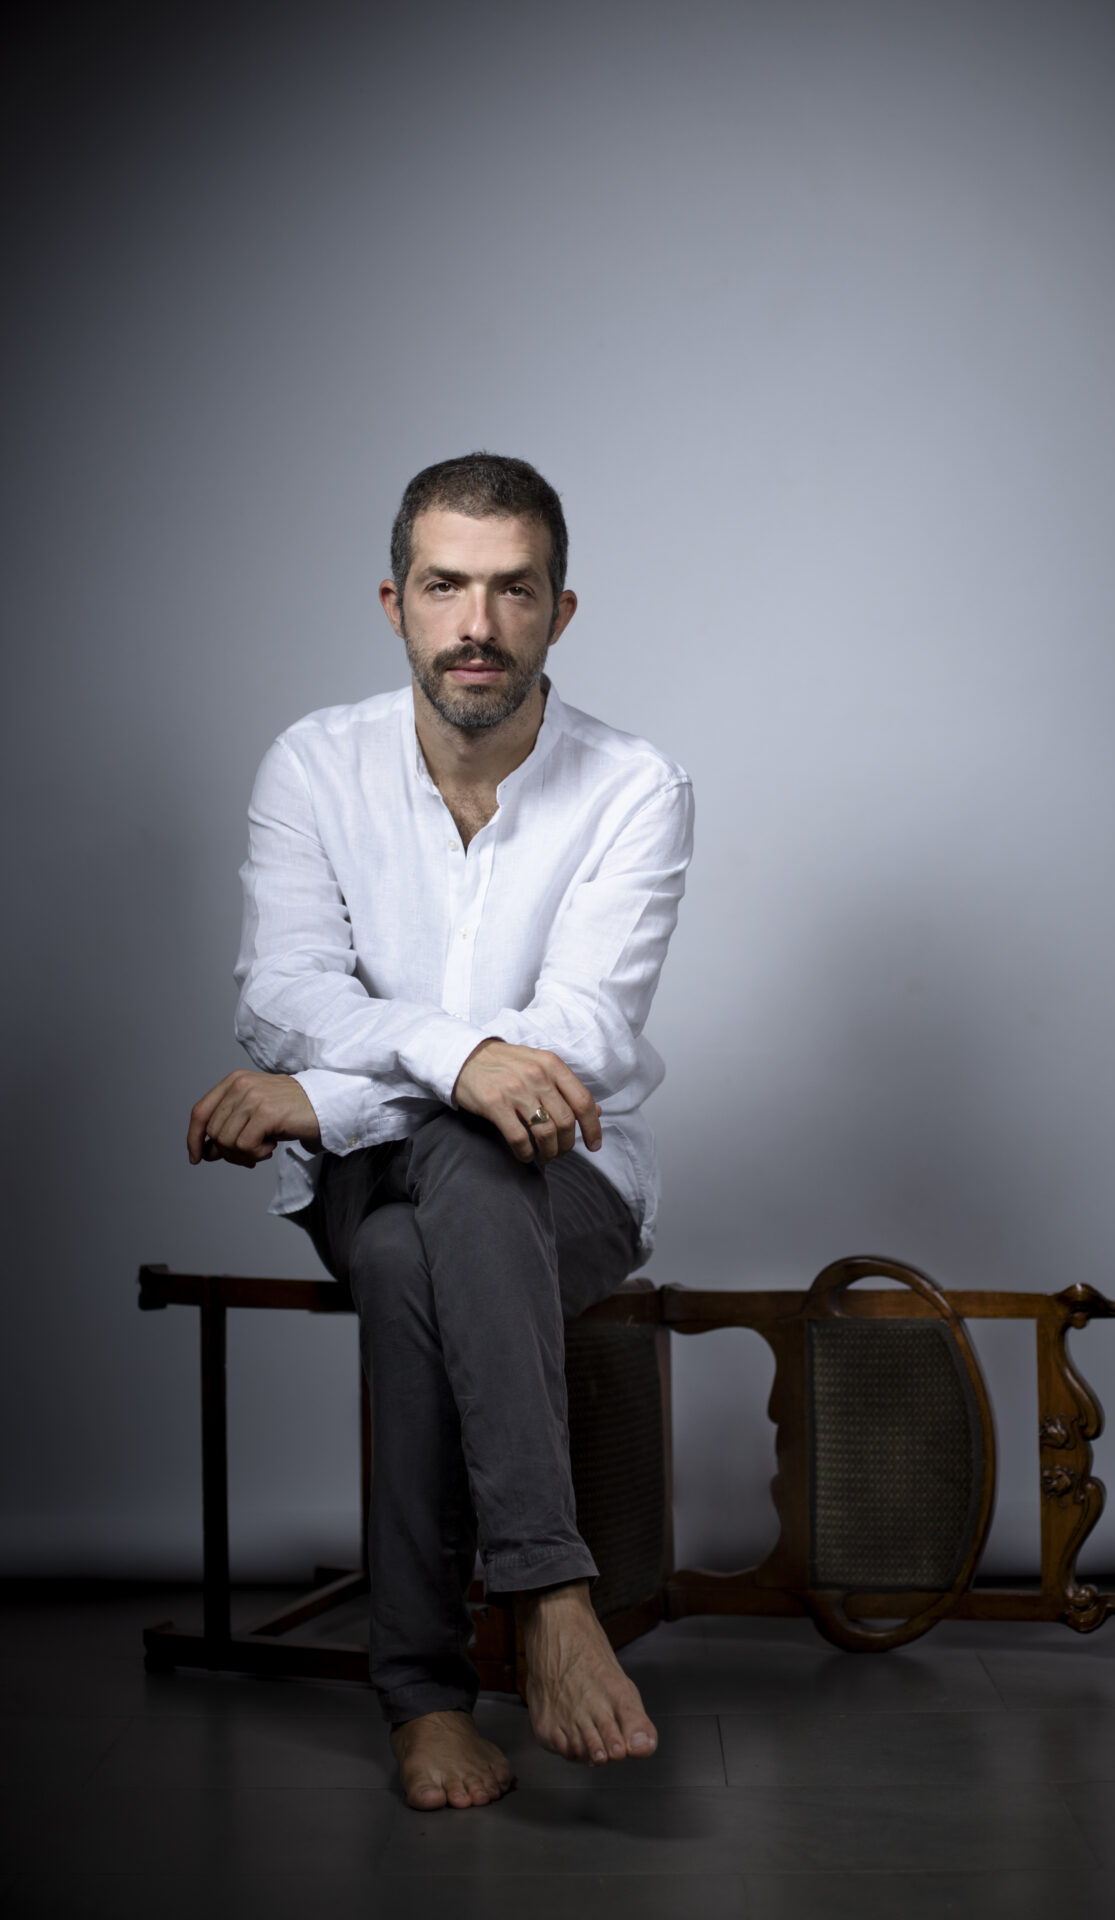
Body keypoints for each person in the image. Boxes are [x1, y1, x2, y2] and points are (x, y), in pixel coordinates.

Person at [185, 453, 693, 1811]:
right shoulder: (314, 766)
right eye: (445, 586)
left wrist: (333, 1097)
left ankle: (425, 1692)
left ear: (560, 612)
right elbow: (282, 996)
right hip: (371, 1175)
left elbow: (574, 1046)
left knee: (418, 1241)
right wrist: (462, 1057)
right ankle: (550, 1597)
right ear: (394, 602)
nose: (478, 624)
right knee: (444, 1170)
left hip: (573, 1181)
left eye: (513, 590)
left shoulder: (635, 787)